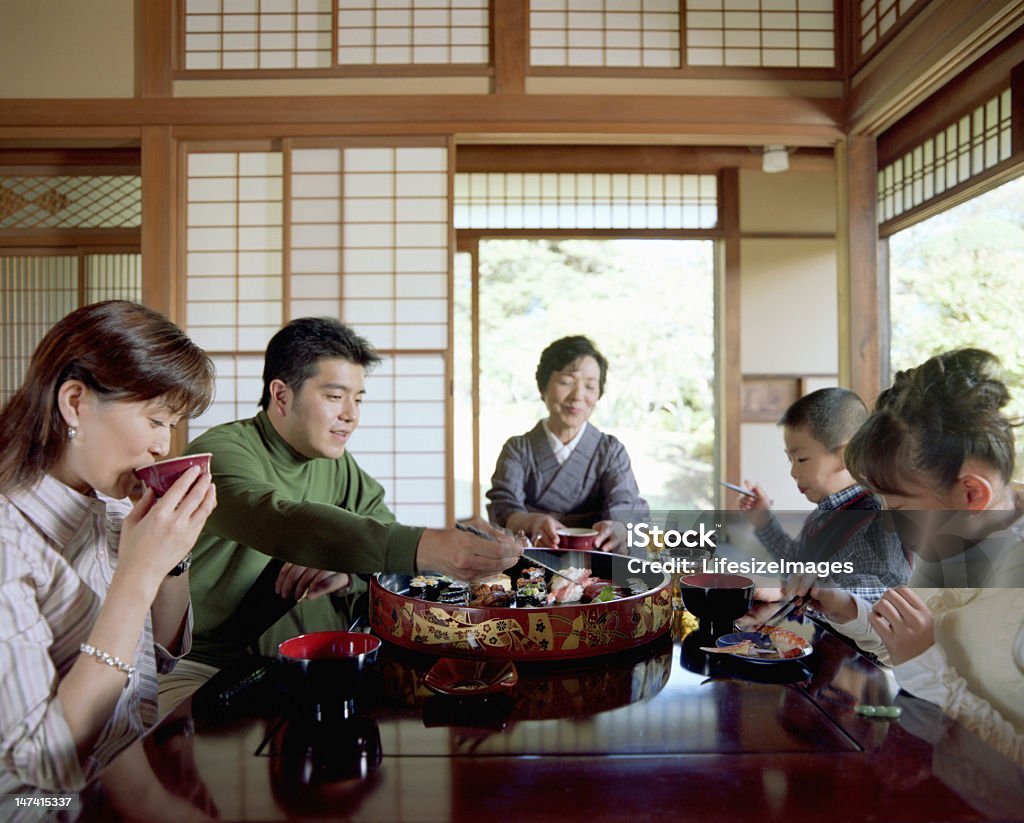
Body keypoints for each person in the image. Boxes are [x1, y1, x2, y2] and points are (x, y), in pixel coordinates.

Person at [162, 317, 519, 703]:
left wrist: (347, 572)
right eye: (335, 397)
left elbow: (385, 551)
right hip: (209, 667)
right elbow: (282, 520)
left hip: (312, 662)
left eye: (358, 399)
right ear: (281, 395)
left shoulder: (337, 464)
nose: (351, 414)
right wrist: (430, 547)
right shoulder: (223, 454)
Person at [0, 301, 217, 795]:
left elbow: (160, 655)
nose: (165, 446)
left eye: (172, 426)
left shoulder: (112, 506)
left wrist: (172, 553)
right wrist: (136, 575)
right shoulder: (8, 538)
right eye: (156, 420)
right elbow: (43, 767)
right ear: (75, 402)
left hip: (131, 772)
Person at [797, 349, 1023, 765]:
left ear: (971, 493)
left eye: (899, 512)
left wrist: (922, 660)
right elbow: (915, 651)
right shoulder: (959, 538)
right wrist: (847, 607)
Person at [736, 387, 911, 601]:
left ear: (844, 456)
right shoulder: (825, 513)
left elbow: (878, 597)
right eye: (789, 460)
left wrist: (795, 595)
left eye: (801, 459)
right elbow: (796, 565)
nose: (793, 472)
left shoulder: (871, 521)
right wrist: (763, 520)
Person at [486, 335, 648, 552]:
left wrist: (616, 527)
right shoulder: (518, 449)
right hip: (535, 560)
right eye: (566, 382)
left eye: (590, 386)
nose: (578, 396)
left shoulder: (610, 451)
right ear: (543, 386)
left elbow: (624, 504)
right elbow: (504, 507)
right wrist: (533, 522)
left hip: (597, 561)